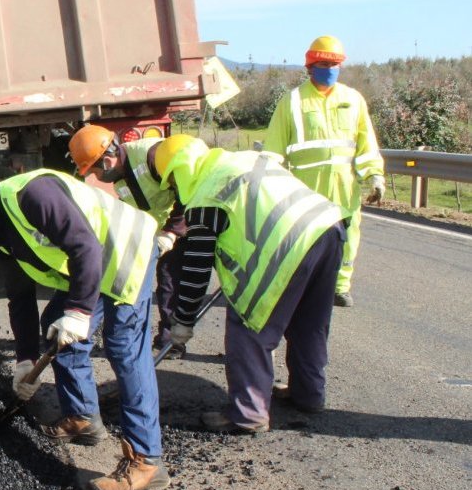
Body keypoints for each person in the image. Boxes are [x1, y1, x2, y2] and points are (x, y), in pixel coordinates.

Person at [0, 167, 168, 490]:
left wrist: (80, 312)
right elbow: (20, 298)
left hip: (125, 250)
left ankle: (145, 461)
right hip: (93, 265)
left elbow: (86, 249)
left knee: (124, 347)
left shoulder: (32, 196)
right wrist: (25, 361)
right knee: (56, 321)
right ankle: (82, 416)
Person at [155, 135, 350, 433]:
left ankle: (247, 414)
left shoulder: (205, 197)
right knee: (309, 322)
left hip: (290, 246)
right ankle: (308, 394)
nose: (174, 189)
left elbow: (196, 272)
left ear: (179, 170)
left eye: (171, 181)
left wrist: (182, 323)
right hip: (327, 228)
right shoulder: (241, 160)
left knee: (248, 323)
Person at [262, 35, 384, 308]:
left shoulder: (353, 100)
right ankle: (302, 286)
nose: (329, 69)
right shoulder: (292, 101)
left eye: (334, 63)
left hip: (344, 187)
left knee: (347, 237)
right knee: (304, 239)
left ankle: (339, 286)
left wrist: (375, 176)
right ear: (310, 66)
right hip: (305, 187)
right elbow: (273, 150)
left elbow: (366, 144)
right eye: (323, 63)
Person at [69, 124, 188, 357]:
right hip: (155, 232)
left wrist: (172, 232)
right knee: (152, 279)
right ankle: (168, 340)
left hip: (184, 225)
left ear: (106, 160)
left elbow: (187, 191)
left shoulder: (152, 155)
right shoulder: (121, 175)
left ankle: (173, 340)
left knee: (170, 280)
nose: (96, 177)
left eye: (94, 171)